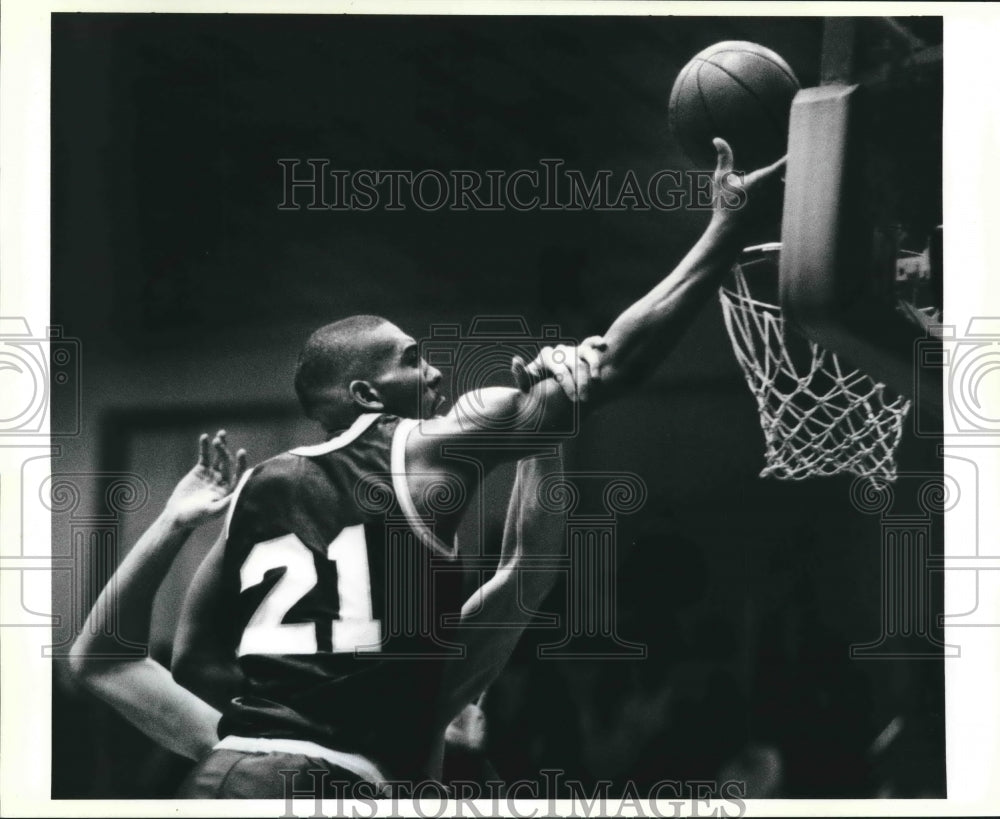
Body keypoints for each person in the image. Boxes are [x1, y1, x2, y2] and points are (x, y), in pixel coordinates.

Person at [72, 138, 784, 798]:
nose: (436, 369)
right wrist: (724, 229)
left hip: (223, 774)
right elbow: (611, 371)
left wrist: (172, 520)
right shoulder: (425, 446)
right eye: (413, 357)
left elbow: (163, 660)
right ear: (365, 394)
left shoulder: (254, 494)